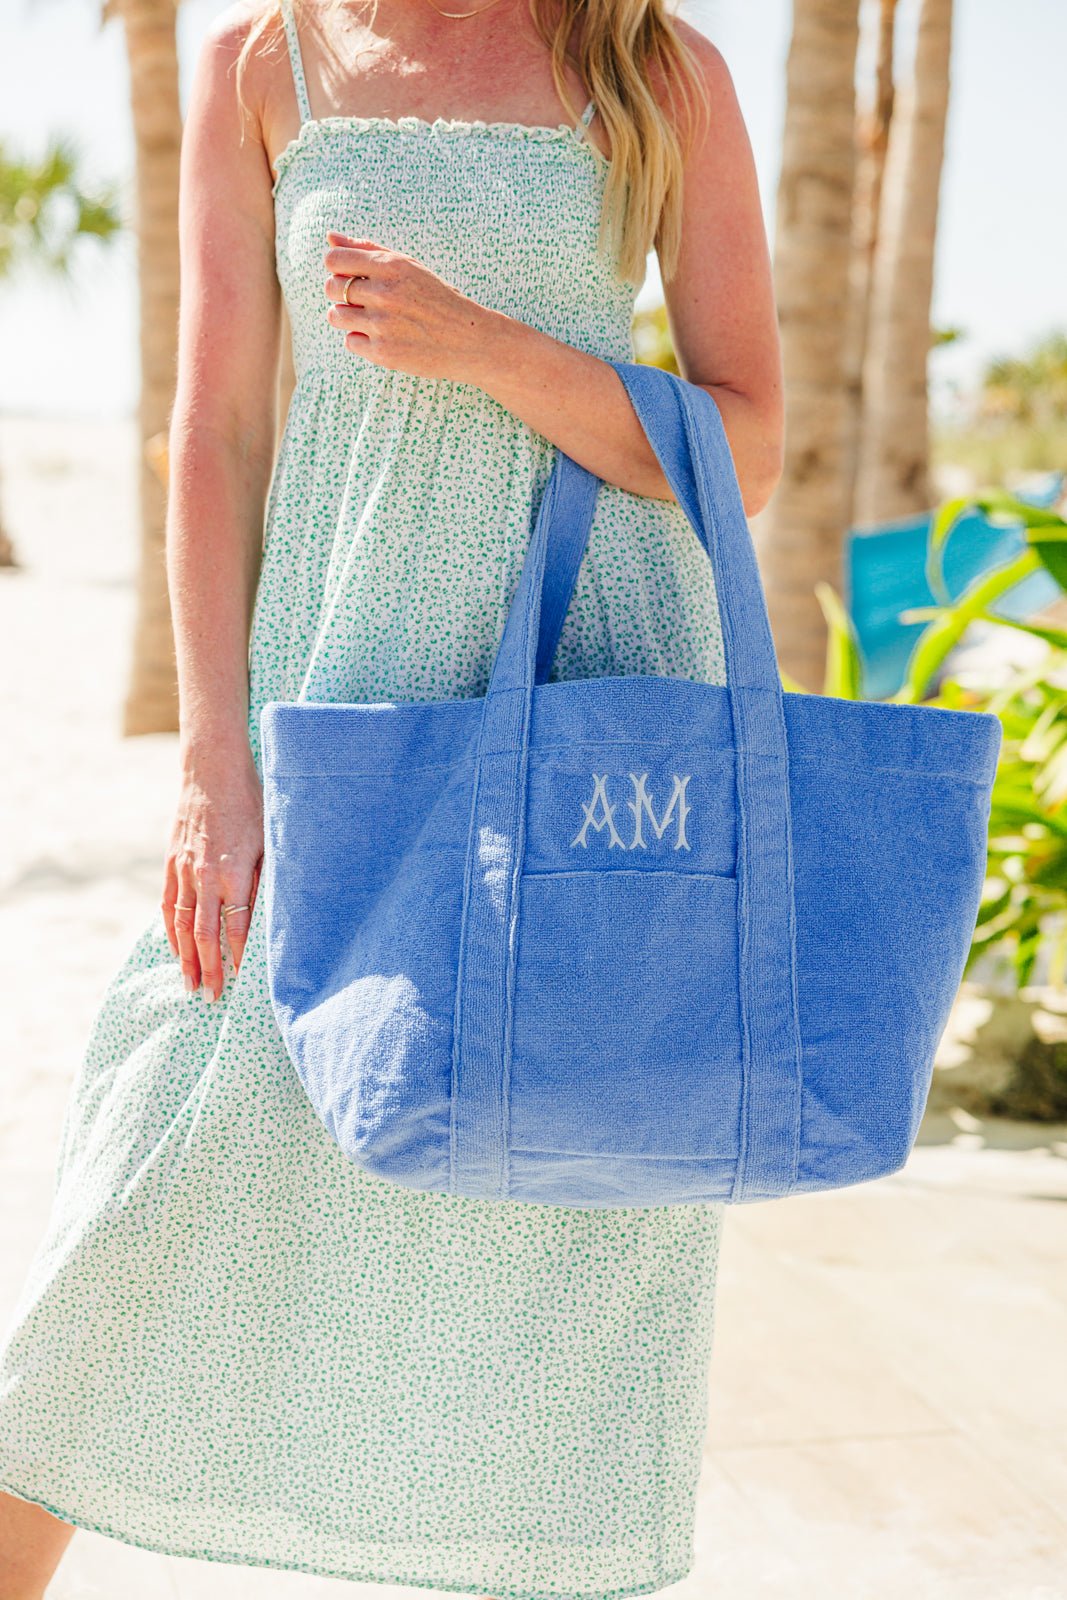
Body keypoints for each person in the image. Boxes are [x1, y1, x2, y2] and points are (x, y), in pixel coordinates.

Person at [0, 0, 782, 1593]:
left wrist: (491, 348)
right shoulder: (259, 65)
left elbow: (750, 444)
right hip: (334, 688)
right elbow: (215, 432)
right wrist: (214, 759)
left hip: (591, 702)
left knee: (557, 1220)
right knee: (148, 1187)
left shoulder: (658, 70)